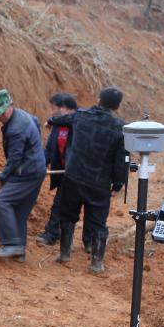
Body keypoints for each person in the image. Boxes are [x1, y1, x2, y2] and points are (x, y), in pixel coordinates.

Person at [49, 87, 128, 273]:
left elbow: (60, 120)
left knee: (67, 216)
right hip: (99, 183)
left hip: (73, 177)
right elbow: (121, 160)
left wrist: (50, 121)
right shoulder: (120, 128)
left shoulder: (80, 116)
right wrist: (118, 184)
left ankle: (64, 254)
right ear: (117, 106)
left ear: (99, 99)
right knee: (98, 223)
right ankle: (96, 264)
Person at [0, 89, 47, 260]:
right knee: (19, 211)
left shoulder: (16, 129)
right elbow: (36, 122)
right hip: (36, 169)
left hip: (27, 173)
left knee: (1, 201)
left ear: (11, 105)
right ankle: (19, 251)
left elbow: (14, 159)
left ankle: (11, 245)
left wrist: (2, 178)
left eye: (2, 112)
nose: (0, 117)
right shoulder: (23, 116)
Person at [36, 93, 78, 246]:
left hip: (79, 174)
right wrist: (41, 165)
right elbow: (49, 149)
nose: (52, 112)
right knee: (59, 203)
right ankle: (53, 233)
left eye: (54, 108)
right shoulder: (58, 126)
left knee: (77, 207)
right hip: (63, 173)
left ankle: (89, 240)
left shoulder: (80, 123)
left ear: (64, 108)